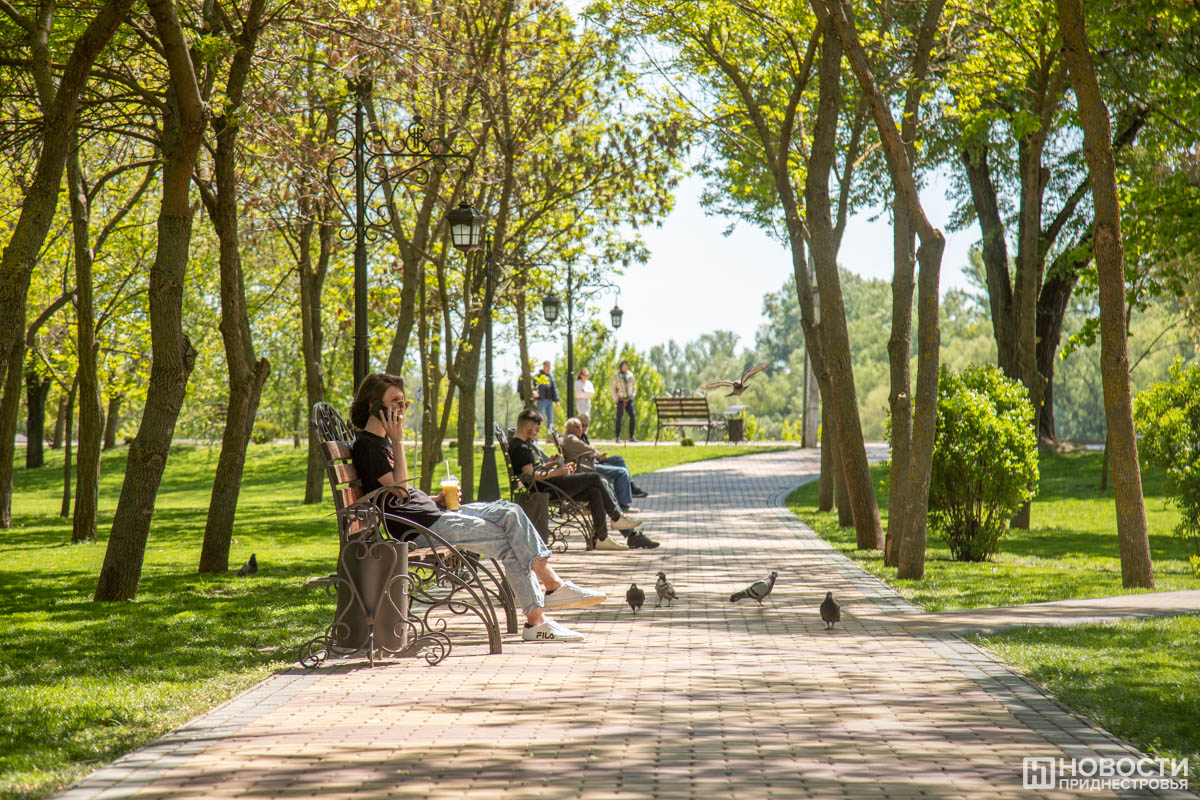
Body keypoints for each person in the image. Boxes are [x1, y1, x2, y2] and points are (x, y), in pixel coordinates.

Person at [349, 373, 605, 642]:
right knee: (511, 539)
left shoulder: (382, 443)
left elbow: (401, 494)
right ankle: (541, 611)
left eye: (404, 403)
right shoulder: (368, 446)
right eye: (395, 402)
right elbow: (400, 492)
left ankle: (551, 591)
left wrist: (435, 499)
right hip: (421, 529)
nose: (401, 409)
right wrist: (399, 441)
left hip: (435, 515)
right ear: (374, 406)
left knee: (510, 512)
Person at [508, 408, 655, 551]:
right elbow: (532, 475)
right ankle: (616, 518)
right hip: (548, 488)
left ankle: (601, 538)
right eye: (537, 428)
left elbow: (534, 470)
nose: (538, 432)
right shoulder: (520, 447)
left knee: (594, 492)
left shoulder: (523, 445)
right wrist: (557, 472)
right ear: (528, 426)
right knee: (595, 478)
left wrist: (552, 464)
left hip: (549, 484)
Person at [578, 413, 648, 498]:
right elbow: (584, 453)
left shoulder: (583, 436)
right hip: (591, 465)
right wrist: (596, 456)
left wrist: (598, 455)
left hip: (596, 460)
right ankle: (624, 499)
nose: (584, 428)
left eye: (586, 426)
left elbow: (590, 450)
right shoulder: (575, 438)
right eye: (582, 425)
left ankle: (631, 484)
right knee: (622, 472)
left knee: (618, 459)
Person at [610, 359, 637, 442]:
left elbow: (634, 386)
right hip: (620, 399)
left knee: (632, 415)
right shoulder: (616, 375)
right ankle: (618, 436)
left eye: (626, 366)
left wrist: (633, 395)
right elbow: (612, 387)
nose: (624, 368)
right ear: (621, 367)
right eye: (623, 366)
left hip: (629, 399)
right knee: (619, 417)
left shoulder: (630, 375)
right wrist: (615, 398)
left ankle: (632, 436)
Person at [532, 360, 558, 428]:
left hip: (550, 400)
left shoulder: (551, 376)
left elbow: (554, 389)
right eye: (547, 366)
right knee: (541, 418)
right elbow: (534, 386)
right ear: (544, 366)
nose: (549, 367)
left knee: (551, 419)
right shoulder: (538, 375)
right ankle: (538, 432)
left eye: (549, 366)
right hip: (541, 400)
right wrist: (535, 393)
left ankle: (549, 432)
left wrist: (557, 400)